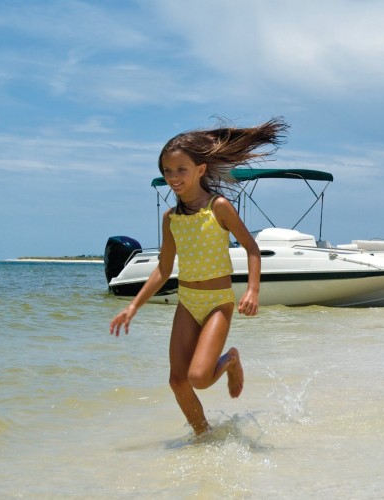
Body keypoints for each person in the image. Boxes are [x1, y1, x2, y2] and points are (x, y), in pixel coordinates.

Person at [109, 118, 288, 436]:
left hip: (218, 302)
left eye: (181, 170)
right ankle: (202, 437)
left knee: (200, 378)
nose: (173, 178)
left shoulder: (218, 207)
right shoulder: (171, 218)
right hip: (187, 301)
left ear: (201, 169)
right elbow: (163, 269)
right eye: (167, 171)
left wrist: (253, 290)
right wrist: (133, 307)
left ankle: (231, 359)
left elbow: (252, 249)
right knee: (177, 381)